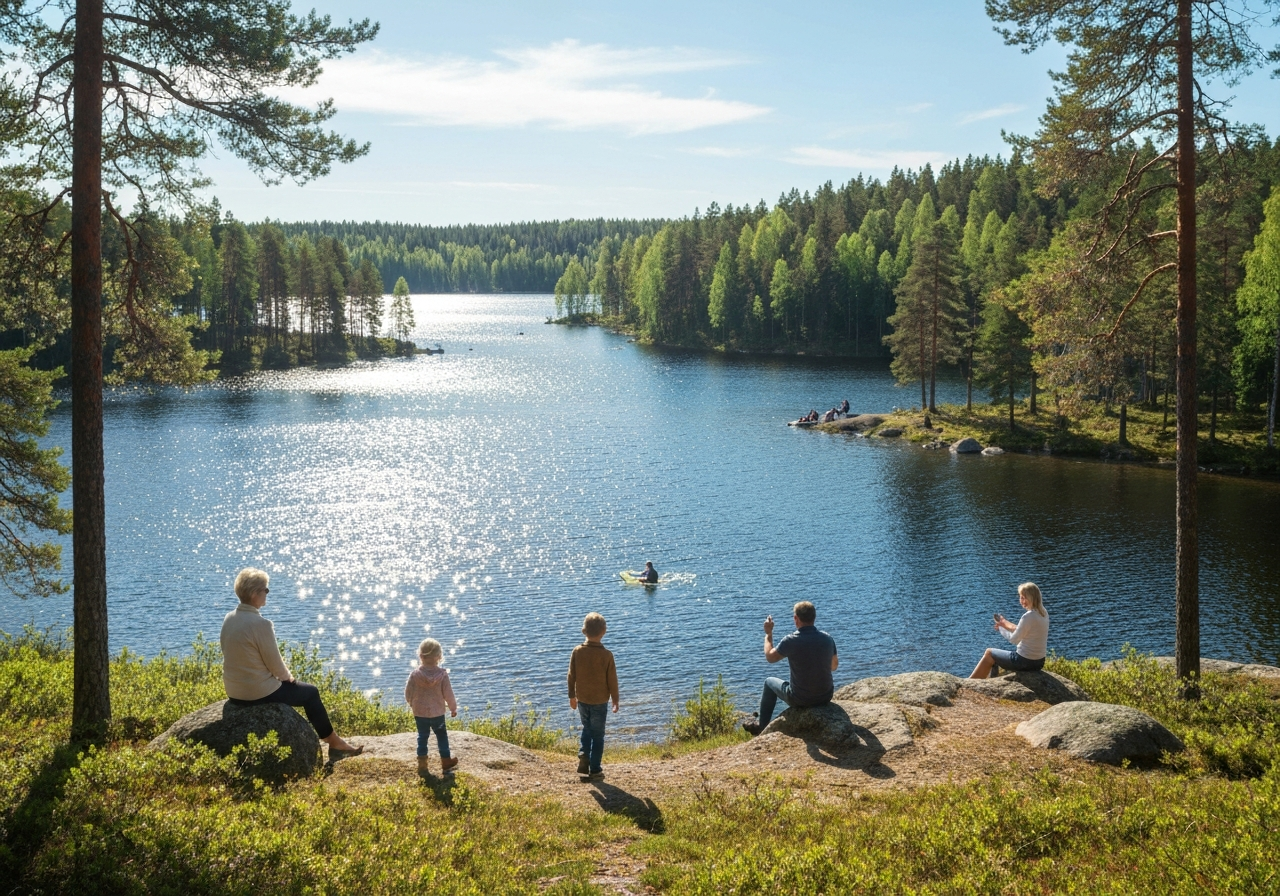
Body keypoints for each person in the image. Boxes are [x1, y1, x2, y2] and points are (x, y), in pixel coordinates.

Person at [220, 567, 363, 758]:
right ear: (255, 594)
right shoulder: (261, 624)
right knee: (310, 693)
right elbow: (276, 666)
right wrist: (289, 679)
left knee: (301, 690)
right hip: (256, 693)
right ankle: (335, 743)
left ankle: (335, 742)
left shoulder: (229, 618)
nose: (267, 594)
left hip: (234, 691)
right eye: (266, 590)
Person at [743, 601, 838, 735]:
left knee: (769, 682)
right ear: (814, 617)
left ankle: (761, 727)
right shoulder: (828, 639)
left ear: (796, 618)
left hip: (800, 699)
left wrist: (768, 634)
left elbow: (770, 657)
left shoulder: (791, 640)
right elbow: (834, 667)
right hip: (826, 696)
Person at [567, 612, 619, 781]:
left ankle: (583, 754)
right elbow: (612, 680)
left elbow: (571, 675)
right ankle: (595, 769)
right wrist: (615, 700)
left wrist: (572, 696)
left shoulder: (577, 651)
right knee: (598, 735)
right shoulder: (607, 655)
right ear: (604, 631)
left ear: (584, 631)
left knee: (587, 728)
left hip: (582, 699)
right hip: (600, 701)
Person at [969, 582, 1049, 679]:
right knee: (994, 655)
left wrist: (1002, 629)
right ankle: (988, 682)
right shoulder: (1043, 612)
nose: (1021, 601)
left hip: (1024, 662)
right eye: (1020, 597)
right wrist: (1004, 623)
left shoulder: (1028, 617)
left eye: (1024, 598)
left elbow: (1014, 639)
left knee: (989, 653)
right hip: (1039, 663)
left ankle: (970, 683)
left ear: (1031, 597)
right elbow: (1022, 630)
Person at [405, 638, 458, 776]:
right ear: (439, 657)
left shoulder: (415, 675)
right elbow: (448, 693)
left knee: (422, 736)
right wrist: (453, 708)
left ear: (420, 656)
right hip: (437, 714)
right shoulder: (442, 675)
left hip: (420, 713)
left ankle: (422, 765)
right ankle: (446, 762)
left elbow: (408, 692)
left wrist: (411, 703)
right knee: (441, 736)